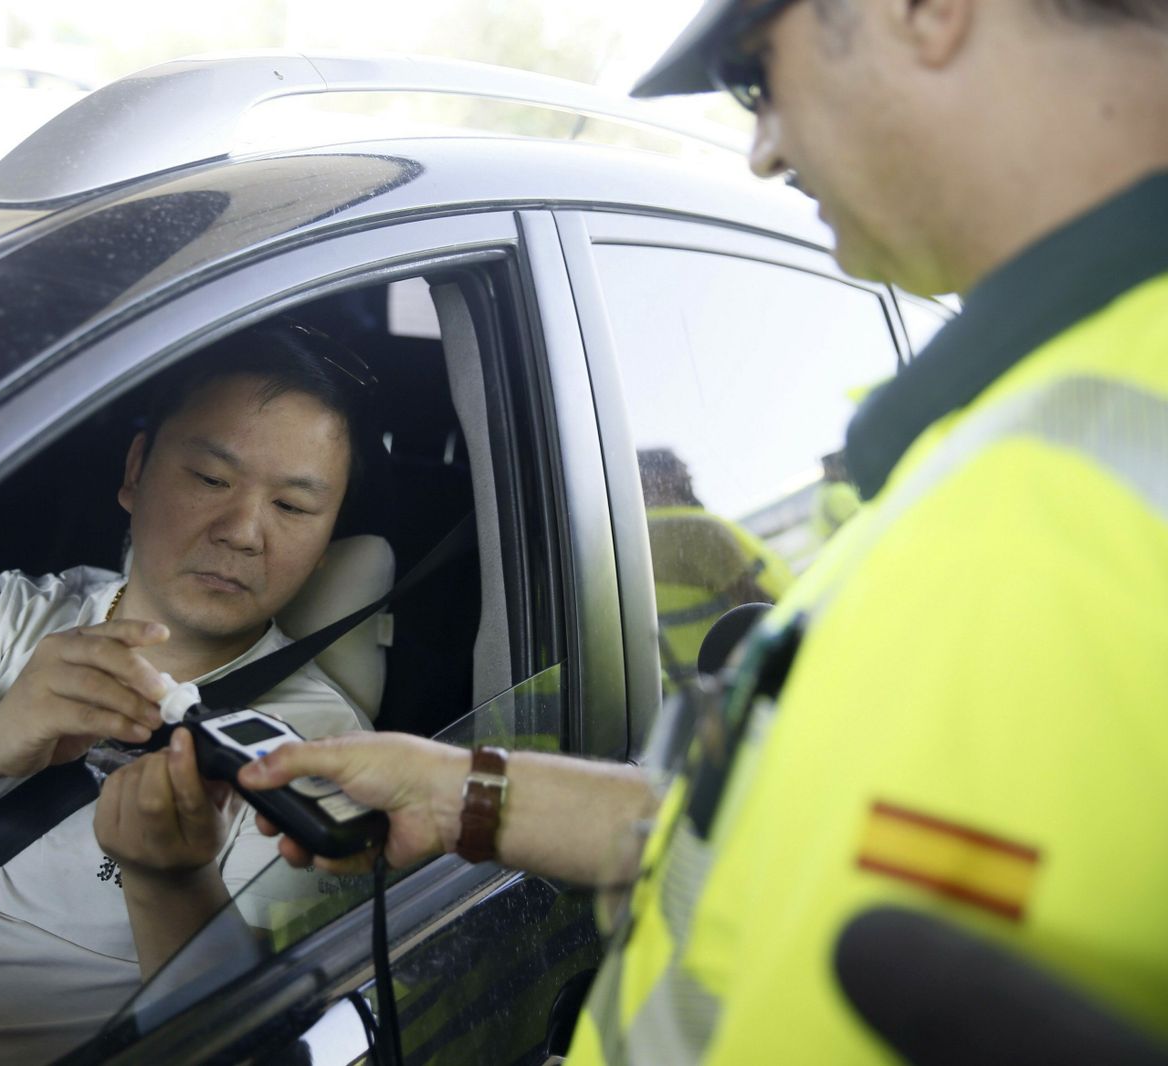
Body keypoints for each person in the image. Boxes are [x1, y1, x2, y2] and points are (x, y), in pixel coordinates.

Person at [238, 1, 1168, 1061]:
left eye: (755, 77)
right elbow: (761, 841)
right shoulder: (1014, 428)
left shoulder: (1089, 452)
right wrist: (460, 790)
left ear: (921, 12)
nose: (764, 149)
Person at [0, 320, 377, 1063]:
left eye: (295, 508)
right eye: (211, 479)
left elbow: (254, 1043)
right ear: (136, 469)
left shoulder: (321, 764)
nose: (244, 531)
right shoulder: (16, 613)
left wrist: (167, 882)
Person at [638, 447, 792, 681]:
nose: (689, 475)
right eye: (679, 468)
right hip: (751, 674)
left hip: (699, 690)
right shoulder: (695, 530)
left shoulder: (625, 542)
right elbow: (762, 609)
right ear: (653, 478)